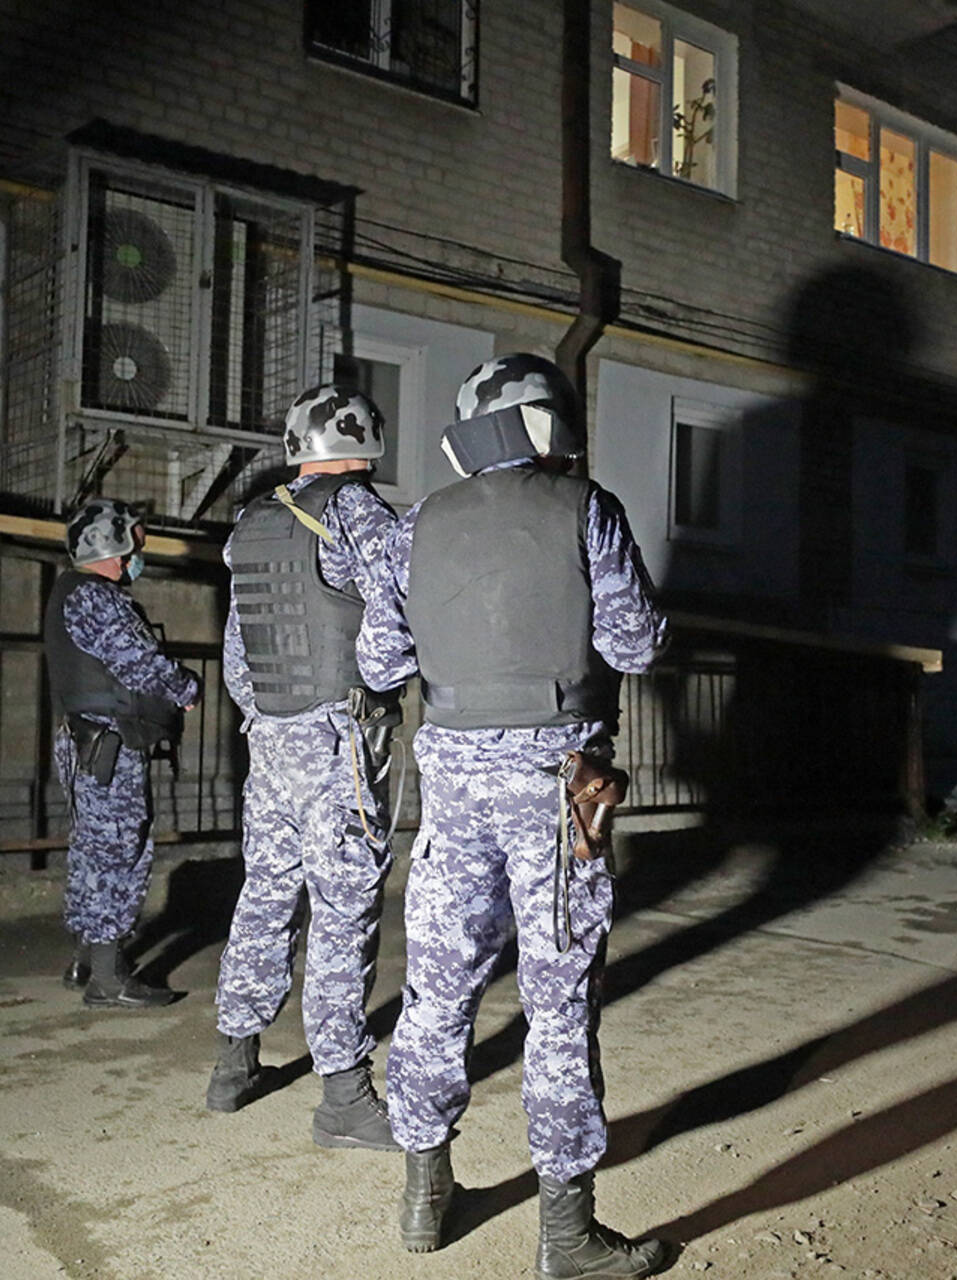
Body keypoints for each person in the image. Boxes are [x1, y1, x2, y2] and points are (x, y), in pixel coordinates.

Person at [357, 353, 669, 1276]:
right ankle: (567, 1237)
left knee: (438, 988)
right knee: (559, 998)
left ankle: (425, 1193)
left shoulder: (415, 525)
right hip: (554, 781)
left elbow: (378, 662)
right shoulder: (587, 508)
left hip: (452, 778)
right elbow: (635, 644)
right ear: (552, 423)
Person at [207, 384, 403, 1152]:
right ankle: (344, 1096)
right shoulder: (360, 515)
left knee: (265, 893)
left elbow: (234, 662)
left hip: (271, 739)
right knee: (343, 908)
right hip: (338, 740)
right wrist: (381, 686)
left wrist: (271, 719)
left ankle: (233, 1063)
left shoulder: (253, 522)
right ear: (366, 438)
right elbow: (393, 632)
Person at [43, 497, 200, 1008]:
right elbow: (141, 664)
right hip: (108, 745)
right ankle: (108, 980)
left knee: (92, 848)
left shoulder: (71, 591)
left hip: (87, 742)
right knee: (118, 851)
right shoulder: (96, 597)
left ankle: (87, 958)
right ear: (111, 543)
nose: (139, 550)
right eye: (134, 539)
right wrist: (186, 687)